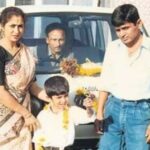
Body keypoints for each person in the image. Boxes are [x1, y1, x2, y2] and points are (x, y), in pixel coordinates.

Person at [95, 4, 150, 150]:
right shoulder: (113, 48)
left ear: (138, 23)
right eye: (118, 30)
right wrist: (100, 112)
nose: (121, 34)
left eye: (125, 28)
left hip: (141, 113)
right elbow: (105, 81)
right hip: (113, 109)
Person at [0, 6, 49, 150]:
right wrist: (27, 115)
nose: (16, 31)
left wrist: (52, 98)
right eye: (12, 26)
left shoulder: (25, 51)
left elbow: (31, 86)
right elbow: (0, 92)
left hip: (23, 117)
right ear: (2, 26)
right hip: (4, 116)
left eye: (20, 26)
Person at [32, 75, 95, 150]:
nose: (63, 100)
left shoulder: (71, 111)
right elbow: (37, 140)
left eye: (66, 96)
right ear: (49, 98)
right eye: (59, 97)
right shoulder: (43, 115)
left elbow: (90, 117)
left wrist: (89, 108)